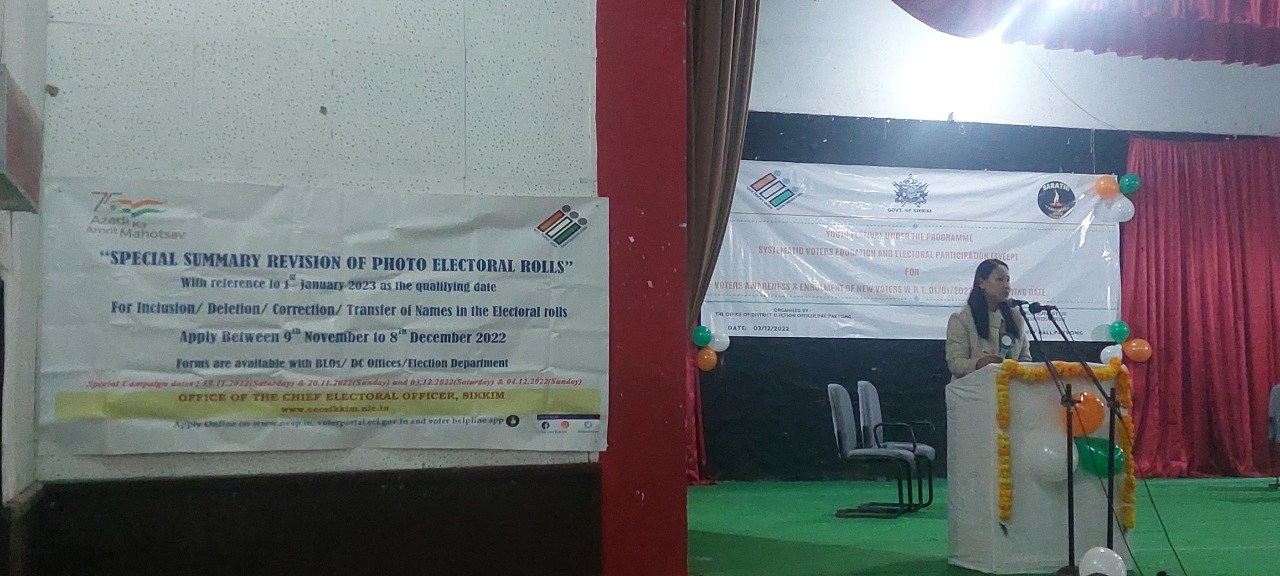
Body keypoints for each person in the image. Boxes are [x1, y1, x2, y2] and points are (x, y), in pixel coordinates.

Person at [945, 259, 1032, 379]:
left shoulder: (1016, 316)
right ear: (981, 283)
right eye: (1000, 279)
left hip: (1011, 387)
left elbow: (1025, 358)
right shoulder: (961, 319)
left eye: (1008, 280)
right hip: (973, 388)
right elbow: (955, 364)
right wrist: (978, 363)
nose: (1006, 286)